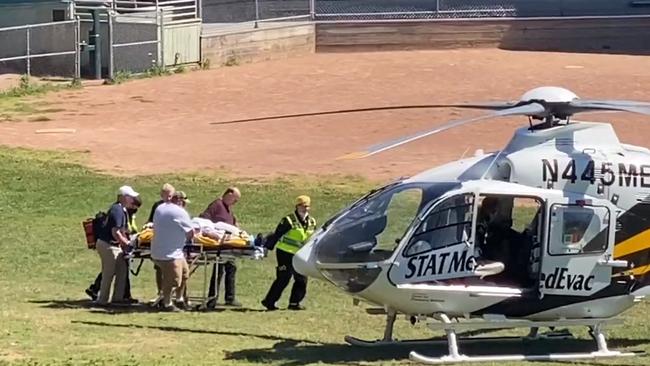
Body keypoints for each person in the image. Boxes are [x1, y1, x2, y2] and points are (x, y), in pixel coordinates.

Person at [261, 195, 316, 311]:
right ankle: (269, 302)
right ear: (297, 206)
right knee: (284, 278)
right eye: (302, 206)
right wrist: (267, 248)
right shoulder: (289, 220)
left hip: (300, 254)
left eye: (307, 206)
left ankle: (294, 303)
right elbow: (277, 235)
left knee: (301, 278)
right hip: (285, 252)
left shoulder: (312, 222)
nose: (305, 208)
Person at [86, 196, 142, 302]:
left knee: (122, 270)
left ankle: (118, 298)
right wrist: (127, 244)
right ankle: (102, 300)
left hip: (116, 246)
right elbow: (116, 232)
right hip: (108, 245)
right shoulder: (117, 210)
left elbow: (123, 231)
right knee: (108, 273)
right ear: (125, 198)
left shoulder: (124, 211)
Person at [151, 191, 195, 312]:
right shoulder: (180, 212)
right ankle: (166, 303)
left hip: (162, 249)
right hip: (170, 253)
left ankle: (179, 299)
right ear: (180, 201)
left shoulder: (160, 207)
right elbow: (191, 233)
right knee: (174, 280)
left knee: (185, 273)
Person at [199, 187, 241, 308]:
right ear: (229, 194)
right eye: (235, 199)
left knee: (231, 268)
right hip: (218, 243)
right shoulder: (217, 204)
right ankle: (212, 298)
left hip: (229, 242)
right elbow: (204, 218)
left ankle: (230, 297)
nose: (235, 202)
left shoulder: (228, 209)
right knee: (218, 270)